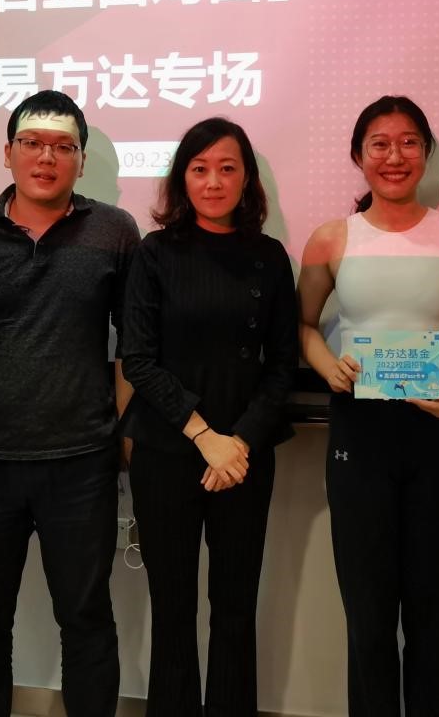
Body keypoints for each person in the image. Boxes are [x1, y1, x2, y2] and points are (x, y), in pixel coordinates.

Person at [0, 90, 140, 717]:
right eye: (32, 143)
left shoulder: (114, 231)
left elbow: (133, 345)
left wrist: (124, 435)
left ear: (81, 159)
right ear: (9, 152)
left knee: (87, 619)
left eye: (63, 147)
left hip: (83, 462)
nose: (47, 157)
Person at [297, 95, 439, 716]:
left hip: (438, 432)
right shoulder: (331, 239)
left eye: (409, 142)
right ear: (358, 155)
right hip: (360, 432)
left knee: (433, 614)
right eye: (379, 144)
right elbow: (303, 326)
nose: (394, 156)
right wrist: (327, 365)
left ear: (426, 153)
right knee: (368, 613)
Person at [121, 118, 299, 717]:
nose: (213, 181)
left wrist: (238, 442)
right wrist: (205, 437)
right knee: (172, 610)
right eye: (199, 169)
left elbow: (282, 365)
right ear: (182, 178)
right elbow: (138, 360)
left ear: (246, 178)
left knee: (236, 608)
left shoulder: (269, 258)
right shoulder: (155, 253)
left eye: (227, 168)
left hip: (244, 459)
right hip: (168, 452)